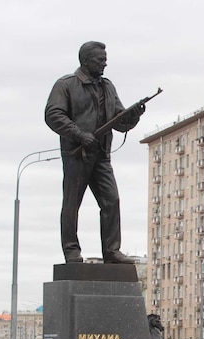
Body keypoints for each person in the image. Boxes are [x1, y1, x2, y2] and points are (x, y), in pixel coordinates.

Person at [45, 41, 144, 264]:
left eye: (105, 59)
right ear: (86, 61)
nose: (105, 63)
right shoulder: (66, 85)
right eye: (101, 59)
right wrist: (79, 134)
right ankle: (71, 250)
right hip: (77, 154)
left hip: (101, 155)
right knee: (72, 204)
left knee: (112, 200)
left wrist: (134, 115)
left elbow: (119, 121)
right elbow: (53, 115)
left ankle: (111, 251)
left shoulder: (107, 87)